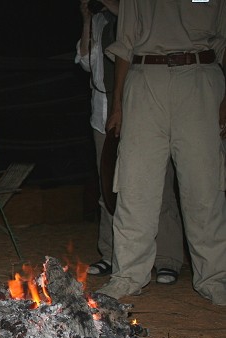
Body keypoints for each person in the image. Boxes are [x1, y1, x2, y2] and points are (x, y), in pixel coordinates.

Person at [97, 0, 226, 305]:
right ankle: (128, 275)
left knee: (204, 187)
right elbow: (126, 41)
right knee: (134, 184)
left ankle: (215, 278)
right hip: (144, 76)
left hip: (201, 75)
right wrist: (118, 105)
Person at [75, 0, 184, 284]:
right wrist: (88, 19)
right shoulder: (99, 21)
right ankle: (112, 254)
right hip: (102, 114)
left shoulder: (140, 12)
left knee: (158, 186)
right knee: (108, 187)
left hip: (141, 111)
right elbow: (86, 62)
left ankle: (167, 258)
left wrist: (116, 10)